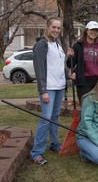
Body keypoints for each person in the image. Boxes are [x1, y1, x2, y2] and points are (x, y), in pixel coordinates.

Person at [30, 17, 70, 165]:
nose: (56, 30)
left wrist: (68, 75)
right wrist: (43, 91)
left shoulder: (57, 44)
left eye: (58, 28)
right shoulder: (42, 44)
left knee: (54, 117)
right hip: (49, 88)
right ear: (47, 27)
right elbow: (39, 69)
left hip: (59, 87)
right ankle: (36, 153)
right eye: (53, 27)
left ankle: (54, 144)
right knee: (45, 119)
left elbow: (58, 67)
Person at [66, 21, 98, 103]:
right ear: (86, 30)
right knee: (86, 107)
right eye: (92, 30)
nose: (94, 32)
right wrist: (69, 56)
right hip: (83, 81)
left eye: (97, 31)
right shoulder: (78, 45)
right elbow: (70, 64)